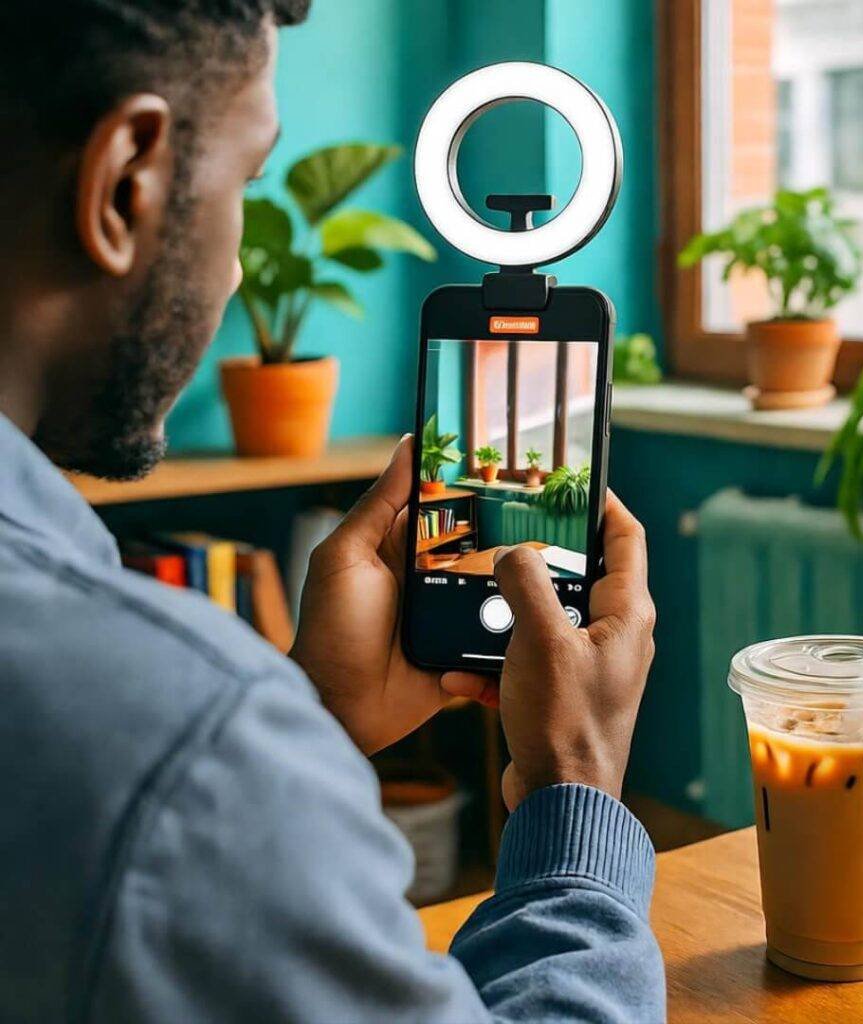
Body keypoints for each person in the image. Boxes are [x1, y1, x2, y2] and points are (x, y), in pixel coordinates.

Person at [0, 2, 664, 1021]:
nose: (230, 270)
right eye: (251, 179)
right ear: (125, 181)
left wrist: (309, 716)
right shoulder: (171, 732)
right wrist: (575, 788)